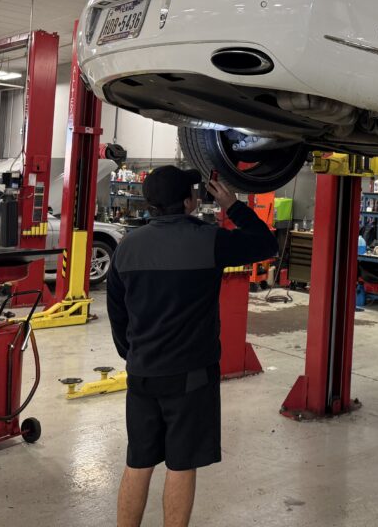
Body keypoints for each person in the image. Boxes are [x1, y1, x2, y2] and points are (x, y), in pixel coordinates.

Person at [107, 166, 278, 527]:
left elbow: (118, 318)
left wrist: (135, 356)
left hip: (141, 375)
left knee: (138, 463)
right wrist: (233, 206)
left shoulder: (126, 248)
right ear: (189, 201)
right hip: (189, 377)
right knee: (181, 465)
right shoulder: (208, 240)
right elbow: (266, 243)